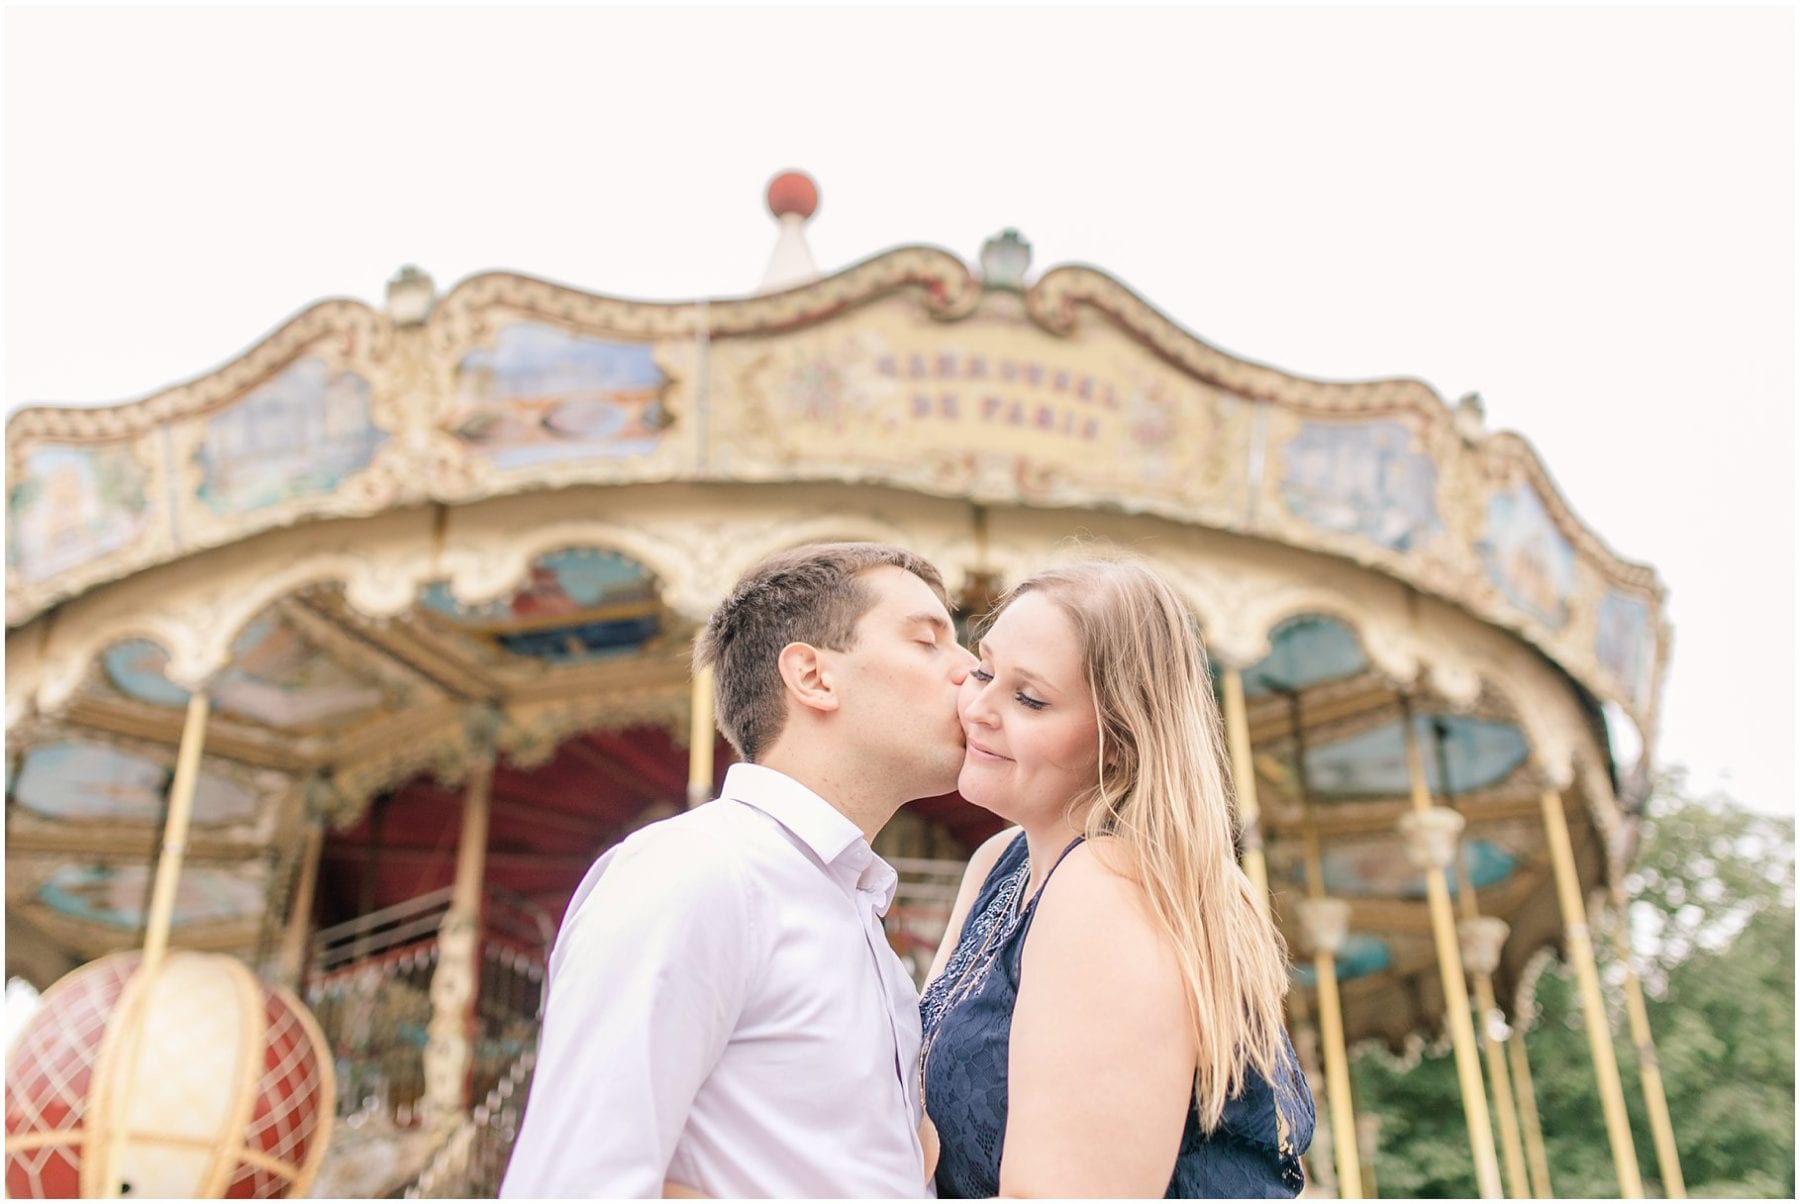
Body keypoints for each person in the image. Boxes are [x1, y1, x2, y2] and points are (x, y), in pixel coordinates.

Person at [501, 541, 975, 1198]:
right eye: (928, 642)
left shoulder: (850, 911)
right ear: (813, 677)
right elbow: (581, 1181)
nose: (972, 670)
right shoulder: (697, 871)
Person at [920, 556, 1315, 1198]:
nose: (978, 708)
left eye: (1029, 698)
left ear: (1120, 742)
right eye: (984, 669)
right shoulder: (1001, 862)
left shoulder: (1110, 887)